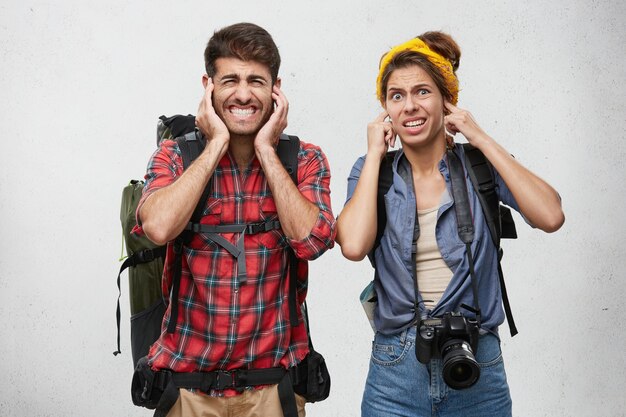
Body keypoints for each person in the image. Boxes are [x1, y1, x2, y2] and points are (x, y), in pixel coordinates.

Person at [335, 31, 564, 417]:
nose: (409, 106)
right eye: (396, 96)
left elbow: (551, 215)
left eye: (422, 92)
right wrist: (375, 153)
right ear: (385, 110)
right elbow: (354, 246)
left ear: (447, 100)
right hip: (396, 368)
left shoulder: (477, 166)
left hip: (478, 357)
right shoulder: (374, 172)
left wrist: (480, 137)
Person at [135, 22, 336, 417]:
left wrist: (265, 149)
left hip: (273, 388)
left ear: (275, 89)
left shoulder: (304, 160)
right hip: (188, 387)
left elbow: (311, 241)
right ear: (208, 86)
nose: (244, 94)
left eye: (256, 81)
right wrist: (215, 145)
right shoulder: (175, 156)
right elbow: (158, 227)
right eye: (230, 80)